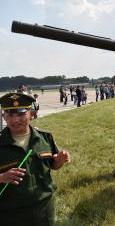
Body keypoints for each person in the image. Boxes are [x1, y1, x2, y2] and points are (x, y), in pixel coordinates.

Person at [0, 92, 71, 225]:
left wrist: (59, 161)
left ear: (31, 114)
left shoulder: (45, 138)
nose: (15, 120)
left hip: (44, 209)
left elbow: (52, 165)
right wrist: (2, 177)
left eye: (21, 114)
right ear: (4, 117)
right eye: (10, 115)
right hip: (10, 214)